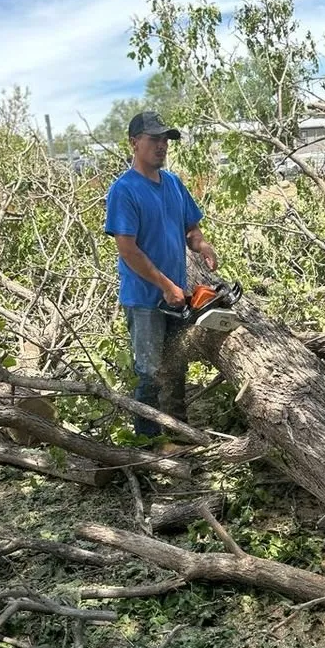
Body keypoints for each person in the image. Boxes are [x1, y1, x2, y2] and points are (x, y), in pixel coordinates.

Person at [105, 110, 218, 441]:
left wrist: (202, 245)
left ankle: (179, 433)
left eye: (165, 140)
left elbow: (191, 228)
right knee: (150, 372)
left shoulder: (173, 183)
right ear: (134, 143)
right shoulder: (124, 190)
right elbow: (128, 249)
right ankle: (149, 443)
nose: (161, 146)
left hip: (176, 293)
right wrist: (165, 285)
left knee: (176, 366)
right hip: (145, 299)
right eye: (153, 139)